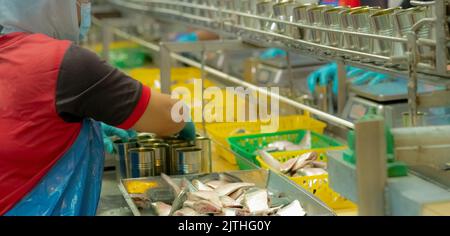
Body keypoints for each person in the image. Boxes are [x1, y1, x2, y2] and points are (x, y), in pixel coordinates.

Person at [0, 0, 195, 216]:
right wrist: (183, 117)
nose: (85, 8)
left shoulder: (8, 50)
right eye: (80, 1)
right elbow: (167, 116)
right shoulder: (65, 61)